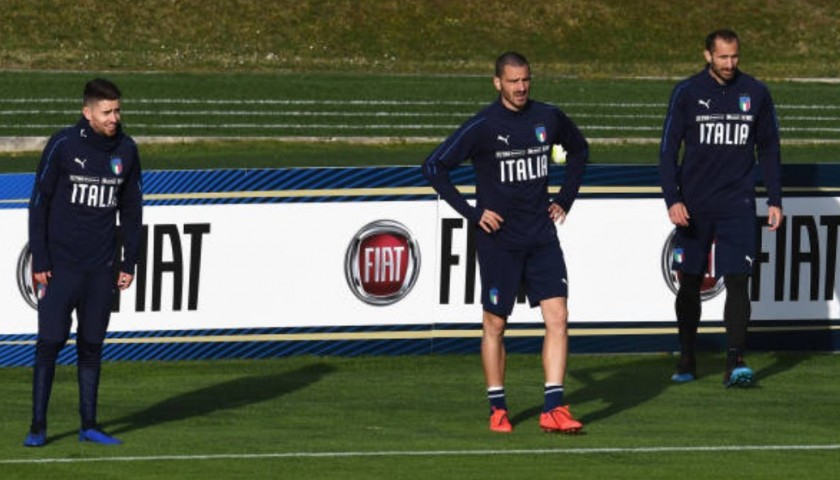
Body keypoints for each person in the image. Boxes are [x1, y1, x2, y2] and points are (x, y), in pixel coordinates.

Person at [423, 52, 588, 433]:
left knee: (558, 317)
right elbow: (434, 166)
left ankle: (553, 407)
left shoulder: (548, 117)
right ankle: (497, 407)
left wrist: (564, 198)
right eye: (513, 81)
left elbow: (579, 150)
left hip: (542, 237)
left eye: (526, 80)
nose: (521, 87)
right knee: (496, 323)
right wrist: (471, 211)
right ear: (497, 82)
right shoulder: (483, 125)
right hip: (500, 241)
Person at [659, 29, 782, 387]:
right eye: (723, 57)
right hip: (695, 205)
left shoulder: (756, 93)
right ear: (707, 56)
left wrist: (775, 199)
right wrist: (673, 198)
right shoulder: (687, 92)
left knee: (740, 281)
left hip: (738, 203)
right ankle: (686, 356)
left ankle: (735, 361)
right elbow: (668, 151)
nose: (730, 64)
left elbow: (770, 149)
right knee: (690, 282)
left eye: (735, 57)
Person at [24, 78, 143, 447]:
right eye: (107, 111)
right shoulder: (63, 144)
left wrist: (128, 262)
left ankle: (89, 424)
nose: (114, 117)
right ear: (87, 112)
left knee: (92, 345)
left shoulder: (127, 149)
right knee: (50, 342)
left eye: (117, 110)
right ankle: (38, 427)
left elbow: (132, 210)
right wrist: (40, 258)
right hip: (60, 267)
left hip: (100, 268)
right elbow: (38, 203)